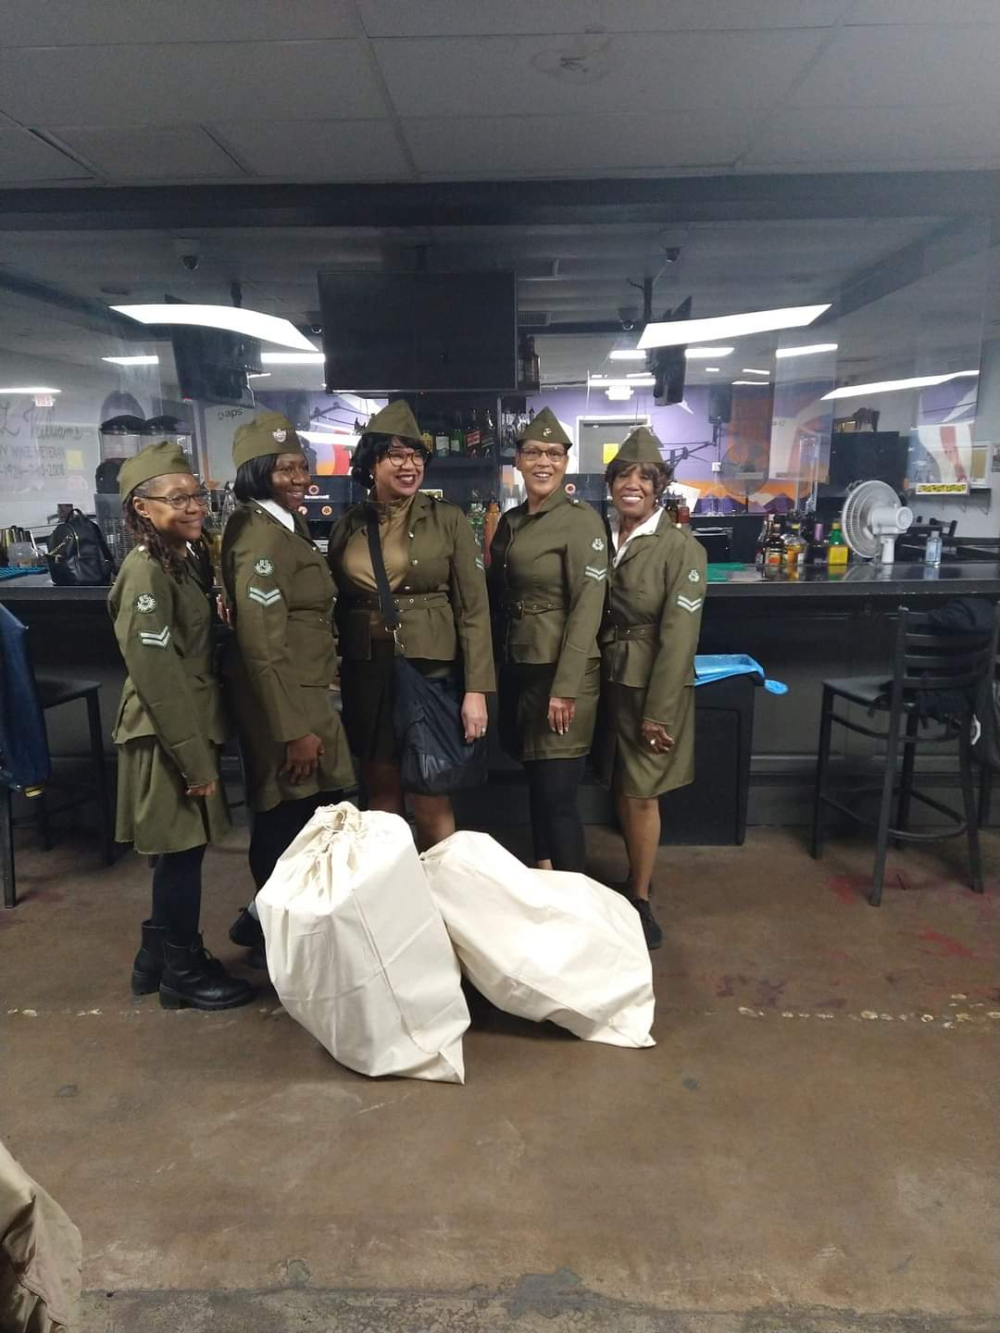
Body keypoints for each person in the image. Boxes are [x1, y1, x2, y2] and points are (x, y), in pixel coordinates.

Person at [111, 440, 254, 1010]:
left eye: (196, 495)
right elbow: (158, 677)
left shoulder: (181, 558)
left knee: (180, 852)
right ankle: (182, 973)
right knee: (182, 853)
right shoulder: (145, 572)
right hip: (167, 732)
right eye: (176, 498)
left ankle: (156, 958)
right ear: (141, 507)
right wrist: (194, 760)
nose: (193, 506)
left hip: (188, 723)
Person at [326, 400, 495, 849]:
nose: (409, 465)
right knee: (381, 793)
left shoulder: (447, 520)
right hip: (368, 673)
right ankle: (394, 886)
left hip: (430, 671)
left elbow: (474, 609)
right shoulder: (348, 526)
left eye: (417, 455)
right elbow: (336, 602)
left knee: (430, 792)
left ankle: (440, 886)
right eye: (396, 455)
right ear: (371, 463)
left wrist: (476, 690)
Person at [220, 411, 355, 962]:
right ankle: (269, 937)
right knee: (284, 817)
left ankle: (270, 927)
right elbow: (262, 647)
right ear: (257, 474)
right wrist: (293, 731)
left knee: (309, 813)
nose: (301, 478)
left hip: (306, 689)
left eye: (302, 466)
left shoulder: (282, 524)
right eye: (285, 469)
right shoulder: (260, 538)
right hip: (288, 701)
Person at [595, 426, 706, 949]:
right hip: (610, 676)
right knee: (622, 783)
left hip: (651, 683)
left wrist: (659, 710)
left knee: (642, 793)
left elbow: (679, 637)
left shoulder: (680, 548)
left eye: (644, 477)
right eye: (623, 476)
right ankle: (634, 875)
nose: (632, 485)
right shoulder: (604, 536)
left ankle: (639, 898)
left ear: (659, 486)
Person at [488, 407, 607, 872]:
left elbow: (587, 607)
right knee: (537, 785)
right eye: (534, 452)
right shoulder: (512, 521)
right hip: (521, 669)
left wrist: (566, 687)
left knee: (558, 797)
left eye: (554, 454)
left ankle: (575, 902)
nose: (544, 462)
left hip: (563, 675)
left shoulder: (580, 521)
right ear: (518, 460)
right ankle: (544, 878)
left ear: (565, 462)